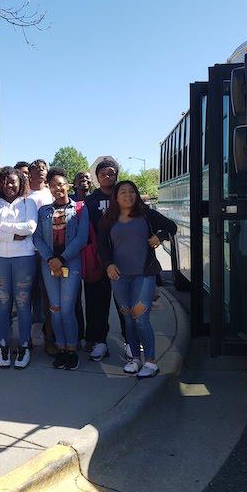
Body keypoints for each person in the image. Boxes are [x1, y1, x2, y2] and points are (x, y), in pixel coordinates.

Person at [97, 180, 176, 377]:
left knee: (141, 319)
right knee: (128, 319)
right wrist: (108, 264)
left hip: (144, 275)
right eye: (123, 192)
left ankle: (150, 362)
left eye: (132, 191)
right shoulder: (108, 219)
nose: (128, 195)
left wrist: (160, 236)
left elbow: (171, 226)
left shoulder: (147, 214)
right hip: (119, 277)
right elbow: (102, 248)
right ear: (115, 197)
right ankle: (134, 360)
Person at [32, 167, 89, 371]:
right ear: (49, 188)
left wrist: (62, 258)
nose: (58, 188)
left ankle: (72, 350)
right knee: (54, 309)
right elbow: (37, 236)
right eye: (54, 185)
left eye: (61, 184)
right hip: (49, 265)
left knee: (66, 310)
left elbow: (82, 238)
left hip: (70, 264)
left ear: (68, 186)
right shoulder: (43, 211)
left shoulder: (81, 208)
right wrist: (50, 258)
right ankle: (61, 348)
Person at [0, 166, 38, 369]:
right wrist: (14, 234)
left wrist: (3, 227)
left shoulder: (28, 202)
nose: (9, 185)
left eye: (13, 181)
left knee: (23, 303)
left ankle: (24, 345)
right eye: (5, 182)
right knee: (3, 303)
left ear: (20, 182)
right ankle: (4, 345)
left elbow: (30, 227)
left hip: (24, 257)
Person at [84, 158, 120, 361]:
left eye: (111, 173)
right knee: (97, 302)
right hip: (98, 260)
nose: (107, 177)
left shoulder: (124, 194)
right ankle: (99, 341)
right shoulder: (90, 201)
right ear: (97, 178)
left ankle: (131, 340)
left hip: (124, 259)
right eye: (103, 174)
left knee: (127, 303)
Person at [26, 158, 54, 352]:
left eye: (44, 169)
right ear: (30, 173)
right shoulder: (24, 195)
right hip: (26, 252)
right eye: (36, 169)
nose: (41, 172)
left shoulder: (51, 193)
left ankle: (50, 337)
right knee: (25, 296)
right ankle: (25, 337)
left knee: (48, 296)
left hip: (47, 253)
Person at [68, 170, 93, 347]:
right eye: (80, 178)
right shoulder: (68, 201)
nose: (84, 181)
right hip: (72, 254)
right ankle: (77, 335)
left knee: (92, 298)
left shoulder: (94, 200)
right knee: (74, 297)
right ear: (74, 183)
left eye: (87, 178)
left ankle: (93, 338)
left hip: (92, 253)